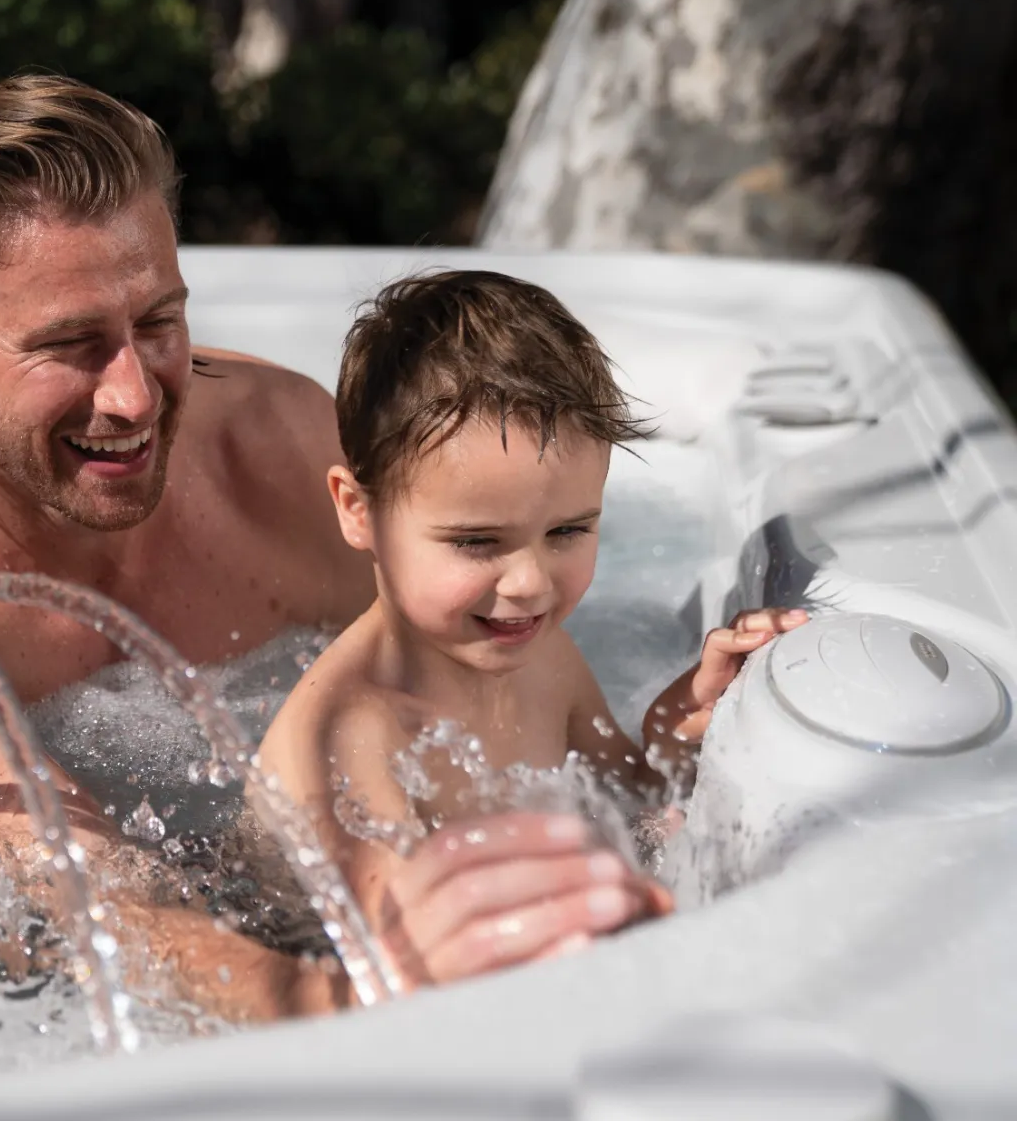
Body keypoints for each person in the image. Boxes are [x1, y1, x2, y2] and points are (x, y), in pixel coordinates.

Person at [0, 75, 667, 1010]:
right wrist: (338, 1006)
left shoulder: (275, 449)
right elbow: (71, 893)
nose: (136, 396)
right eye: (73, 343)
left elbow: (481, 665)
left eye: (158, 322)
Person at [256, 270, 808, 985]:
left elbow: (636, 812)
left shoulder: (546, 659)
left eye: (568, 530)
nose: (531, 584)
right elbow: (406, 974)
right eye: (478, 542)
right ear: (358, 511)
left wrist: (678, 734)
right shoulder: (347, 739)